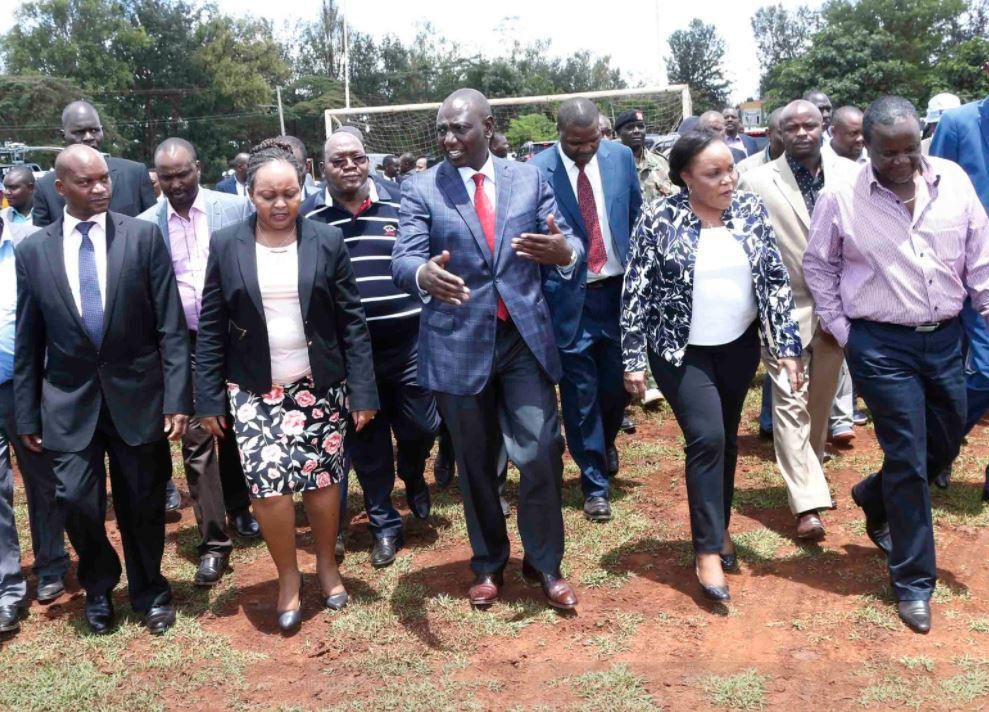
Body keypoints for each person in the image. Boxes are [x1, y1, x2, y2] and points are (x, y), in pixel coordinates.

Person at [803, 96, 989, 634]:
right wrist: (846, 333)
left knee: (948, 441)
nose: (903, 161)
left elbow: (980, 255)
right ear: (868, 146)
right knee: (908, 455)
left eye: (911, 149)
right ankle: (912, 581)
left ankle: (870, 495)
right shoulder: (842, 194)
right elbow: (820, 264)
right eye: (890, 153)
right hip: (882, 345)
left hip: (946, 337)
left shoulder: (952, 179)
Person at [393, 88, 583, 610]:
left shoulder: (529, 178)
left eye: (460, 129)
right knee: (475, 464)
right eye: (442, 130)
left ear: (488, 127)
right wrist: (422, 273)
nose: (449, 139)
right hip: (458, 343)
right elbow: (403, 257)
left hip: (521, 339)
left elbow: (568, 241)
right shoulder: (421, 188)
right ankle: (488, 564)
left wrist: (564, 251)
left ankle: (545, 565)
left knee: (541, 452)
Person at [196, 139, 378, 632]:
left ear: (303, 190)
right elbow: (212, 326)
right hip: (253, 391)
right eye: (267, 195)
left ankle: (326, 563)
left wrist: (362, 390)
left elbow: (352, 323)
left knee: (322, 484)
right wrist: (209, 397)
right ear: (249, 194)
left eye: (290, 193)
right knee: (269, 490)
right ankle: (288, 577)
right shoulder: (227, 244)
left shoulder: (326, 241)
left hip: (317, 386)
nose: (280, 204)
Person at [14, 144, 192, 635]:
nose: (99, 189)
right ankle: (98, 584)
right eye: (86, 182)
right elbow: (29, 339)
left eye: (104, 180)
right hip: (68, 402)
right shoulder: (34, 251)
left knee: (143, 500)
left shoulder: (141, 238)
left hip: (138, 396)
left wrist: (178, 397)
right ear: (61, 187)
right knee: (74, 500)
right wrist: (28, 415)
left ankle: (149, 590)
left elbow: (171, 327)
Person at [622, 129, 803, 602]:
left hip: (737, 347)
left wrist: (785, 345)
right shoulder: (659, 217)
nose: (729, 180)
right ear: (685, 178)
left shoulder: (749, 210)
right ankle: (705, 550)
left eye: (731, 170)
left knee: (724, 439)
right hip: (680, 352)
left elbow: (773, 280)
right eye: (714, 173)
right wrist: (633, 358)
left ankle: (719, 527)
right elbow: (635, 291)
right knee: (706, 439)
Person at [305, 131, 438, 567]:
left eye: (357, 157)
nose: (349, 166)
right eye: (338, 159)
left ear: (368, 162)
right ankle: (384, 523)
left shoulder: (404, 203)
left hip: (409, 339)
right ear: (322, 167)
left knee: (422, 426)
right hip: (350, 351)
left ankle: (414, 474)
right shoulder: (310, 218)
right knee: (367, 440)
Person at [136, 138, 260, 585]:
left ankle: (241, 506)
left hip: (237, 338)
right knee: (196, 440)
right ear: (157, 179)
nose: (176, 183)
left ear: (199, 169)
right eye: (166, 177)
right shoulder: (146, 225)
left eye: (183, 173)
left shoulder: (234, 209)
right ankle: (213, 541)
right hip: (183, 346)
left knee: (235, 430)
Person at [739, 100, 858, 540]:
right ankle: (807, 503)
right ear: (779, 134)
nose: (803, 132)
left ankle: (808, 470)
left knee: (819, 405)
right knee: (788, 401)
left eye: (811, 124)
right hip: (782, 308)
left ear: (823, 125)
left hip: (837, 311)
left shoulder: (851, 174)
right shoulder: (755, 181)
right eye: (793, 126)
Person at [531, 98, 642, 522]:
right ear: (559, 133)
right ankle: (594, 481)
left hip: (618, 292)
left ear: (602, 129)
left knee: (615, 388)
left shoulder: (620, 158)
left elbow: (633, 216)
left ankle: (605, 439)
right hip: (568, 297)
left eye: (591, 140)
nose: (585, 150)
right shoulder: (536, 170)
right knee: (579, 394)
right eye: (575, 143)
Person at [0, 212, 72, 633]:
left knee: (42, 479)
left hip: (25, 386)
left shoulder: (30, 246)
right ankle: (7, 588)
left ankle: (51, 564)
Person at [929, 69, 989, 500]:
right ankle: (937, 449)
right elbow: (929, 191)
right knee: (984, 371)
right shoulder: (959, 123)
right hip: (972, 270)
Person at [32, 101, 157, 227]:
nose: (88, 137)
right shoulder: (45, 189)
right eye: (79, 132)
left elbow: (153, 227)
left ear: (102, 131)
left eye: (94, 130)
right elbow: (43, 241)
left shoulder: (134, 174)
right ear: (63, 135)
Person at [615, 108, 675, 202]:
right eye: (630, 127)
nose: (636, 131)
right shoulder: (613, 165)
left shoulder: (661, 162)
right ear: (618, 134)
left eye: (640, 126)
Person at [737, 108, 785, 175]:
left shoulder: (803, 165)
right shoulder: (746, 169)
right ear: (769, 134)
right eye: (783, 133)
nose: (790, 138)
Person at [279, 135, 320, 200]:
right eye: (279, 171)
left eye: (296, 170)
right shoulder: (259, 207)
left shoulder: (322, 201)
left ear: (307, 167)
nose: (288, 177)